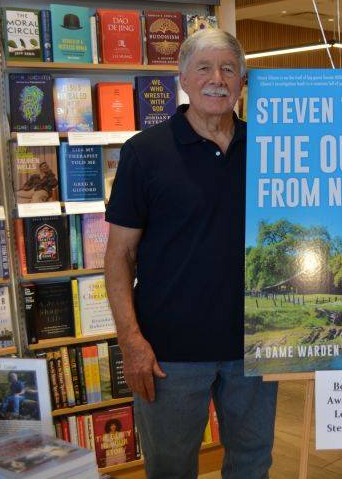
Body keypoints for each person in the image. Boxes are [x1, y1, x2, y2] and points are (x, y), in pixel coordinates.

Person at [104, 29, 278, 479]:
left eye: (228, 69)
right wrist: (131, 342)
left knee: (253, 461)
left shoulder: (271, 149)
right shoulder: (144, 153)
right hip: (169, 355)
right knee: (170, 468)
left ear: (243, 81)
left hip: (257, 348)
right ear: (183, 78)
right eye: (204, 67)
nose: (216, 78)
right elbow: (119, 255)